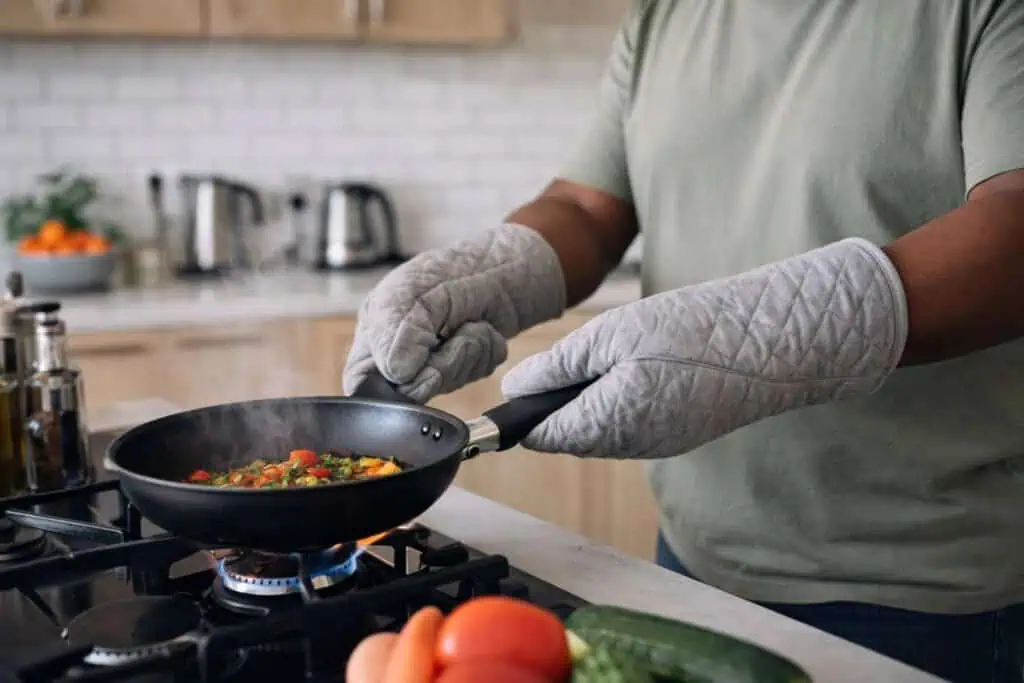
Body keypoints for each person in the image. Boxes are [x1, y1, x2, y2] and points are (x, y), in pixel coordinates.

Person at [343, 2, 1024, 681]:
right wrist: (490, 271)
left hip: (920, 593)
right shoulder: (665, 15)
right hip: (687, 568)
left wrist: (762, 333)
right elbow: (587, 206)